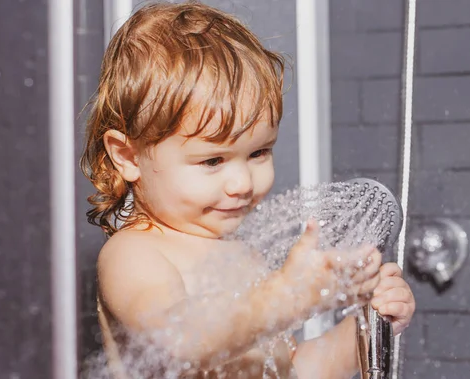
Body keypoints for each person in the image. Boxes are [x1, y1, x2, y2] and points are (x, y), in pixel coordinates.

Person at [81, 2, 415, 378]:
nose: (242, 184)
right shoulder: (135, 254)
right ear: (128, 156)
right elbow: (180, 340)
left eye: (258, 152)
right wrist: (284, 298)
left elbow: (294, 371)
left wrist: (364, 331)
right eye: (212, 161)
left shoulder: (244, 258)